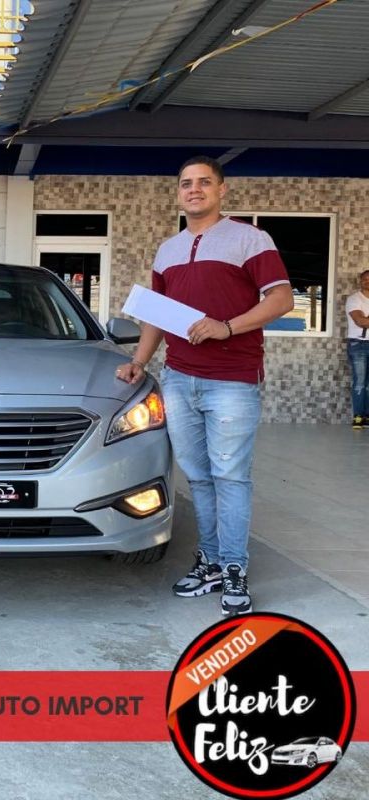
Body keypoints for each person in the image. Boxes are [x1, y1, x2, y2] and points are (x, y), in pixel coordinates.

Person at [117, 155, 293, 617]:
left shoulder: (250, 238)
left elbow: (281, 298)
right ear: (178, 193)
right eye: (186, 183)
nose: (194, 189)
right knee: (198, 477)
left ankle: (234, 566)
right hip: (179, 378)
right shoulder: (168, 249)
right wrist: (138, 362)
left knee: (230, 477)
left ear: (221, 189)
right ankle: (211, 562)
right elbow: (156, 315)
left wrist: (227, 326)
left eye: (203, 182)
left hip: (232, 379)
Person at [345, 270, 369, 428]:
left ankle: (367, 416)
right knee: (360, 382)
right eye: (364, 279)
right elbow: (361, 321)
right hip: (358, 344)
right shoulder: (354, 299)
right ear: (360, 281)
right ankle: (358, 417)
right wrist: (365, 319)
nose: (367, 281)